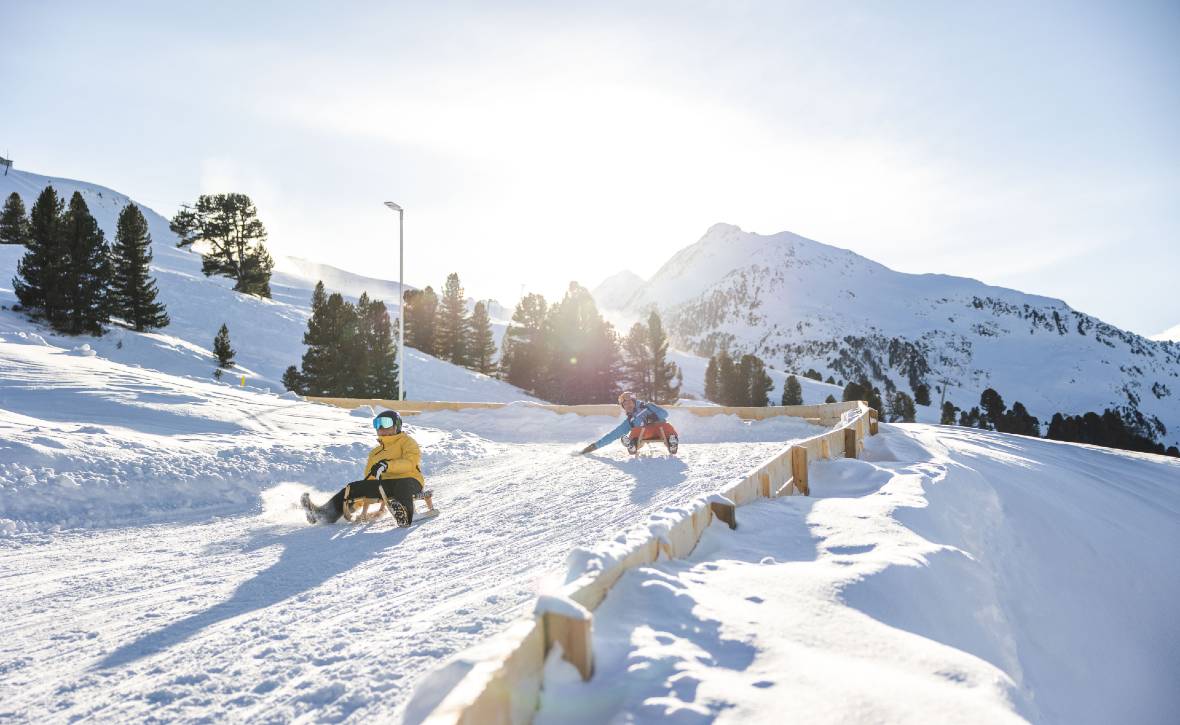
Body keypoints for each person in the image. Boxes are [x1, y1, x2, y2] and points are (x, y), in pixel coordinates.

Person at [301, 410, 426, 526]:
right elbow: (370, 481)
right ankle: (324, 514)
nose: (381, 427)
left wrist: (387, 465)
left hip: (411, 481)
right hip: (386, 485)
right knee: (353, 488)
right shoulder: (375, 453)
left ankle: (408, 515)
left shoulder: (407, 442)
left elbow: (410, 462)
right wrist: (358, 500)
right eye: (377, 424)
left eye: (386, 423)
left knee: (402, 485)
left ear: (397, 425)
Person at [579, 391, 679, 455]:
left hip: (659, 430)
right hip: (643, 434)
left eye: (629, 402)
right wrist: (594, 446)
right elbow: (614, 435)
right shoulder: (630, 420)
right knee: (636, 430)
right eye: (625, 405)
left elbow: (665, 414)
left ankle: (672, 443)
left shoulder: (647, 406)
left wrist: (654, 416)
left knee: (666, 426)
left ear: (634, 401)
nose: (628, 405)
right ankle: (632, 445)